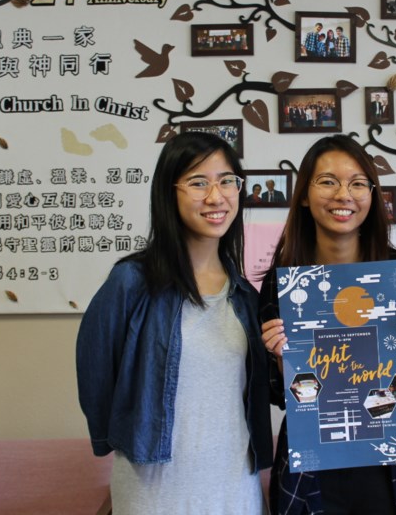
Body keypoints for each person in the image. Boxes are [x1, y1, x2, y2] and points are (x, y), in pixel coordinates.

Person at [76, 131, 273, 515]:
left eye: (227, 181)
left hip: (234, 485)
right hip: (154, 490)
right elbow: (94, 369)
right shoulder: (132, 281)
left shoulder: (246, 296)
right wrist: (118, 439)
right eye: (198, 183)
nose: (216, 197)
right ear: (169, 192)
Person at [260, 135, 396, 515]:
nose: (344, 194)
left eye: (358, 183)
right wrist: (282, 364)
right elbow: (274, 390)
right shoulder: (284, 281)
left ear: (372, 196)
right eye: (328, 181)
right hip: (310, 467)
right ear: (304, 195)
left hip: (390, 462)